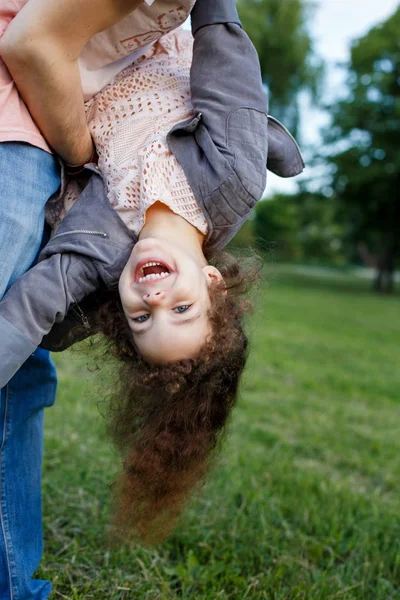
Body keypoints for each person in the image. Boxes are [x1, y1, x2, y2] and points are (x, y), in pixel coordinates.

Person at [0, 0, 304, 566]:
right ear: (213, 282)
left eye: (143, 318)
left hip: (96, 50)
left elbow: (26, 314)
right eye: (182, 309)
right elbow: (225, 55)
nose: (155, 300)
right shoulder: (231, 176)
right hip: (165, 46)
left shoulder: (100, 249)